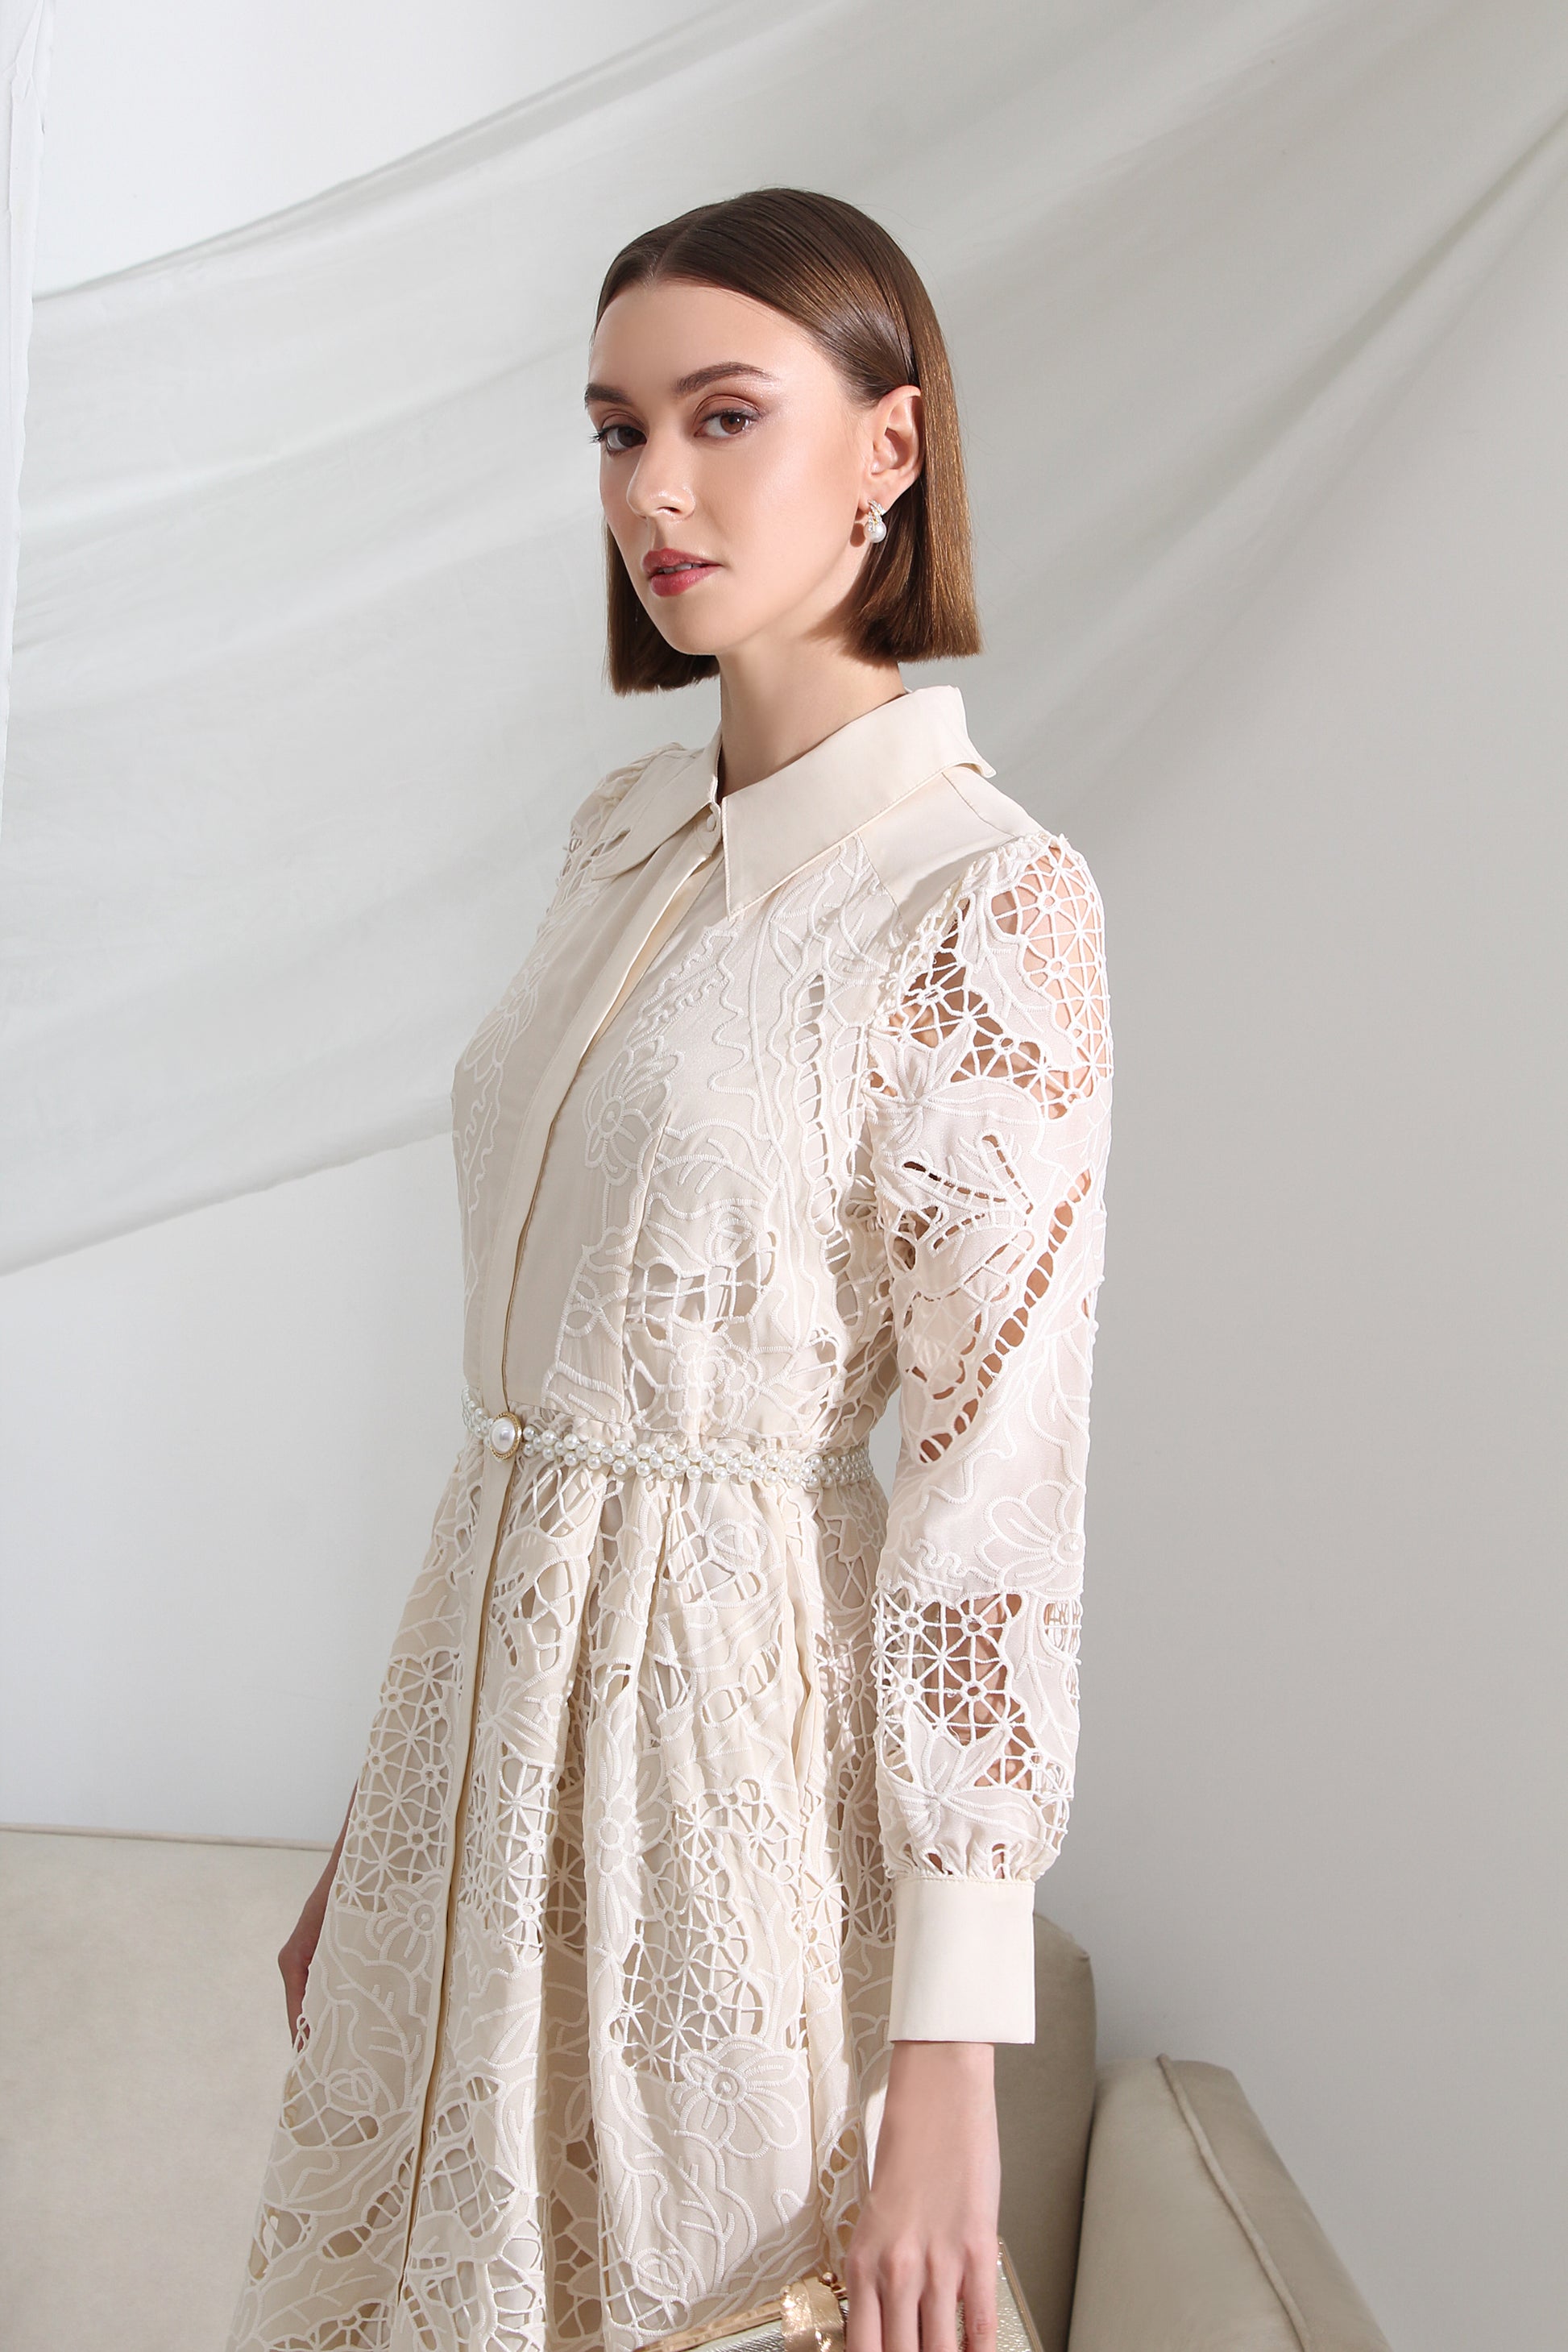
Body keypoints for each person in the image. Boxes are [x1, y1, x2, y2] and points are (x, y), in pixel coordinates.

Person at [228, 185, 1113, 2352]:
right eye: (616, 431)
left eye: (724, 417)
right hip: (475, 1744)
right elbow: (539, 1396)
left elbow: (992, 1511)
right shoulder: (621, 837)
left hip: (715, 1759)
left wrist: (945, 2082)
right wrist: (387, 1811)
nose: (656, 488)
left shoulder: (984, 906)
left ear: (886, 449)